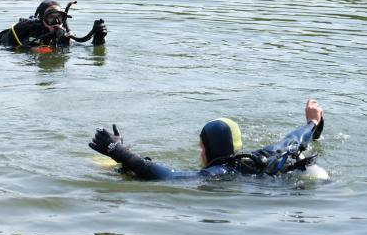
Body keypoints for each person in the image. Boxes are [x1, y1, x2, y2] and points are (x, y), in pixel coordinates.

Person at [89, 99, 325, 180]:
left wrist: (117, 150)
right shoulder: (257, 159)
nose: (200, 152)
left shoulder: (216, 174)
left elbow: (169, 177)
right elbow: (292, 140)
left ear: (209, 148)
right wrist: (312, 122)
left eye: (202, 147)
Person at [0, 0, 107, 48]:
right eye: (51, 18)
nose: (57, 23)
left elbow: (82, 49)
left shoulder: (64, 35)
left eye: (60, 17)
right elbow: (9, 46)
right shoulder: (30, 31)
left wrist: (99, 39)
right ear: (41, 19)